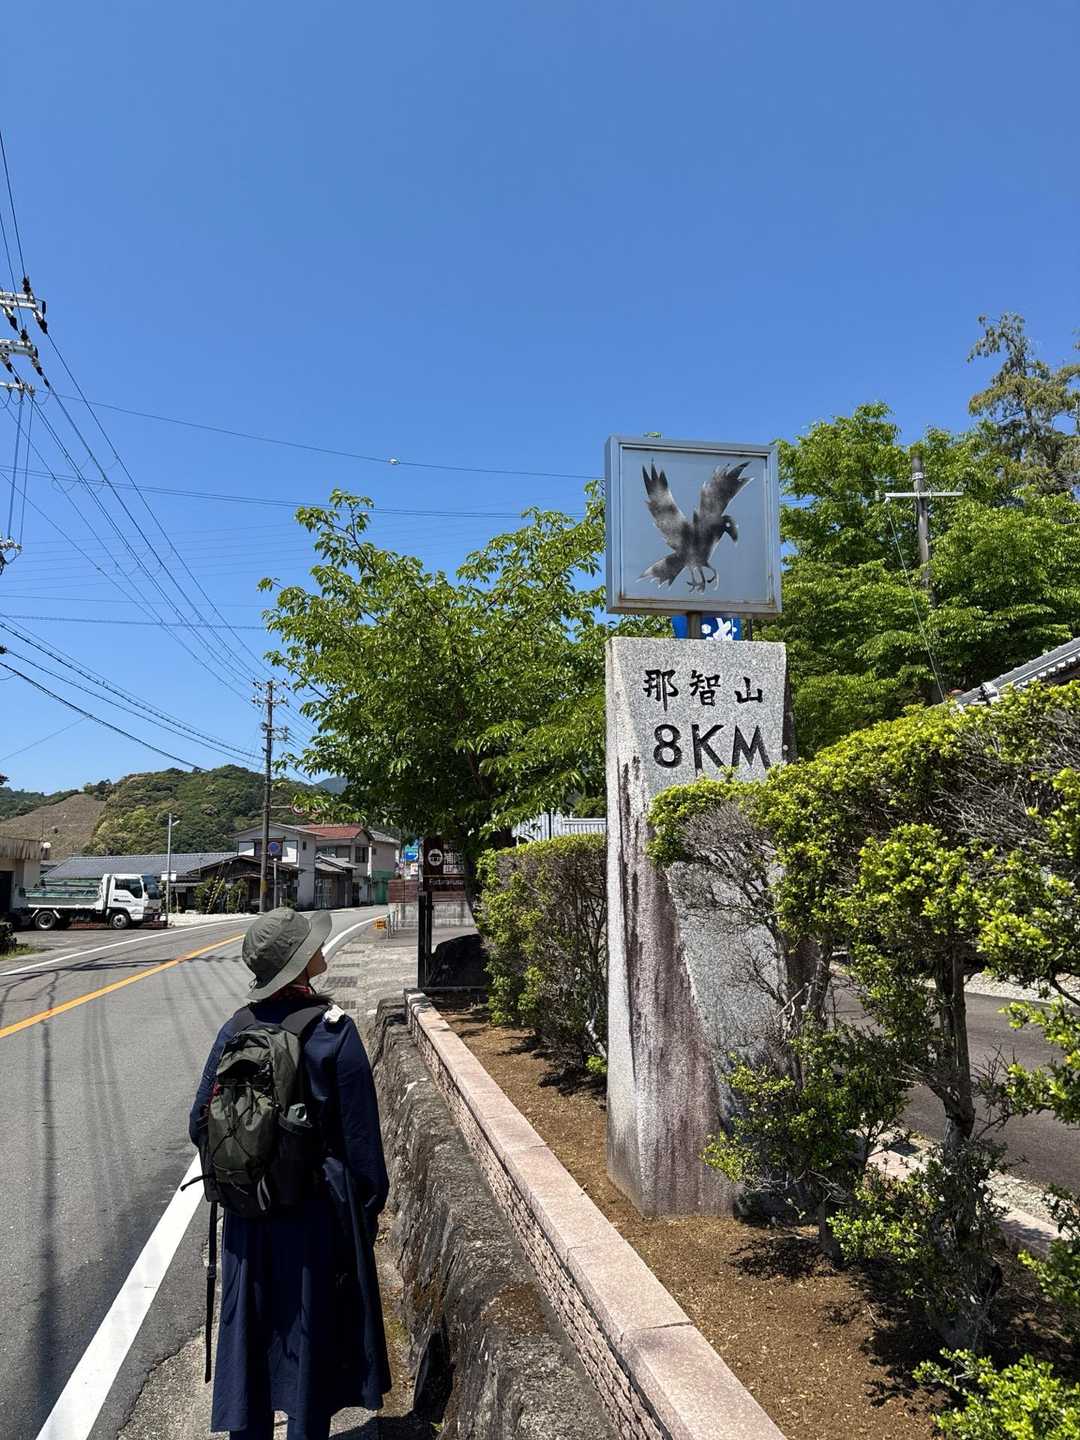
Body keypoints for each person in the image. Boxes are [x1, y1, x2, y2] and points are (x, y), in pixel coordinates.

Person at [189, 907, 391, 1440]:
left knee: (250, 1339)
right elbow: (363, 1148)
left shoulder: (236, 1028)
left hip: (247, 1217)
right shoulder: (334, 1032)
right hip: (312, 1216)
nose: (318, 949)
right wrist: (363, 1215)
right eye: (310, 946)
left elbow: (198, 1123)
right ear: (300, 964)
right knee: (306, 1345)